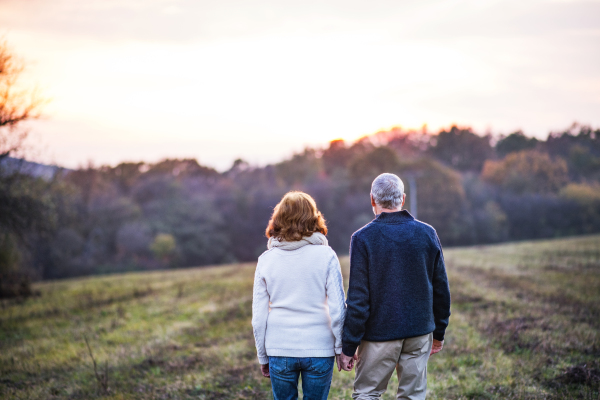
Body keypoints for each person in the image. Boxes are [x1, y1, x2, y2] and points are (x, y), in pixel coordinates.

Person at [339, 173, 451, 400]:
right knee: (413, 397)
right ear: (403, 198)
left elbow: (358, 299)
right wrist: (438, 333)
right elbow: (441, 289)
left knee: (367, 395)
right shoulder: (427, 233)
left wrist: (349, 346)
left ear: (372, 199)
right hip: (419, 332)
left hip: (378, 335)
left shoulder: (362, 238)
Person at [252, 191, 346, 400]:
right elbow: (338, 308)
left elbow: (258, 318)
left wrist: (263, 355)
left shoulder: (266, 260)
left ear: (278, 219)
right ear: (313, 218)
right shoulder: (327, 255)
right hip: (319, 349)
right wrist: (340, 347)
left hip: (280, 348)